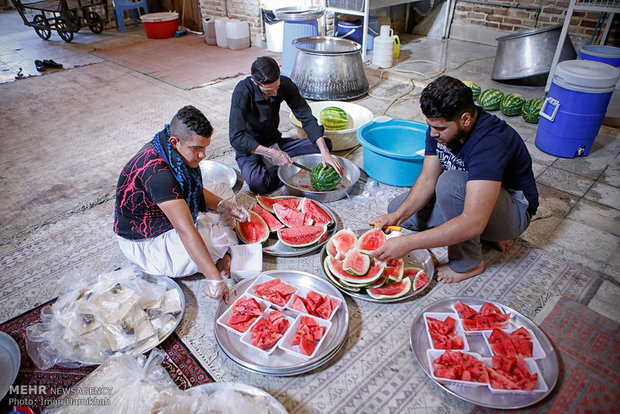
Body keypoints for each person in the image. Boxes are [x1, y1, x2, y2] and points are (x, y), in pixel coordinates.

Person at [370, 76, 538, 283]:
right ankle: (487, 236)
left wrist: (408, 243)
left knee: (450, 183)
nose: (432, 134)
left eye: (440, 129)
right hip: (476, 197)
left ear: (466, 119)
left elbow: (473, 222)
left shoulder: (491, 142)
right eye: (430, 126)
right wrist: (397, 216)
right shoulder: (439, 129)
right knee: (399, 208)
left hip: (515, 210)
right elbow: (428, 179)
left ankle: (469, 264)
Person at [113, 105, 250, 303]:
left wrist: (225, 206)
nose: (203, 155)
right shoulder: (159, 175)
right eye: (196, 148)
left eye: (205, 147)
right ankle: (218, 257)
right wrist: (214, 279)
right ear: (175, 141)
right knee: (215, 241)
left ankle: (217, 244)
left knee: (222, 192)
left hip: (168, 213)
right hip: (147, 242)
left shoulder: (168, 147)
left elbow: (187, 190)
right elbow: (185, 230)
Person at [229, 56, 344, 194]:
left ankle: (280, 165)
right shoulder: (242, 91)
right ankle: (283, 168)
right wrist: (271, 153)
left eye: (277, 87)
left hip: (274, 141)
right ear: (254, 81)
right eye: (268, 91)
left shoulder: (285, 84)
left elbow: (306, 116)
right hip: (250, 148)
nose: (275, 93)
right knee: (258, 184)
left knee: (325, 144)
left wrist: (325, 153)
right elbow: (236, 138)